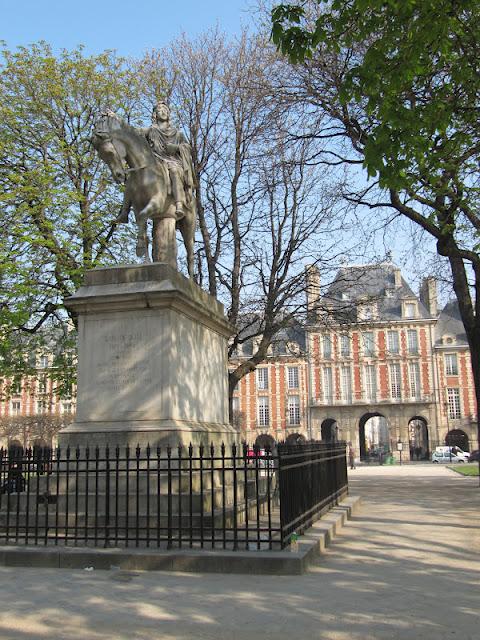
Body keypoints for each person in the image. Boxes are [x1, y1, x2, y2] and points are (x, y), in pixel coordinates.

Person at [143, 101, 194, 218]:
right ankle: (128, 208)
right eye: (160, 110)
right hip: (156, 161)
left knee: (175, 171)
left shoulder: (177, 133)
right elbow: (133, 132)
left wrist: (176, 147)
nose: (164, 112)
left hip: (172, 161)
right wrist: (116, 119)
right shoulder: (151, 130)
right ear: (155, 115)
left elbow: (187, 147)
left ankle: (179, 203)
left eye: (166, 110)